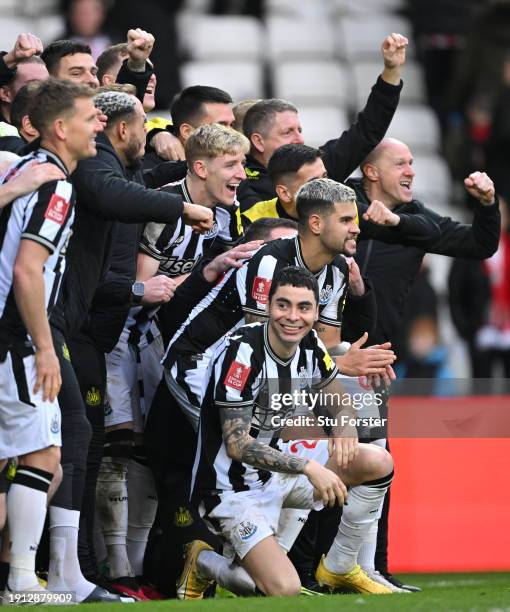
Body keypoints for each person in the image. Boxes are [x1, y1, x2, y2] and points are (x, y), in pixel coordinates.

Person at [176, 266, 394, 598]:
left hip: (276, 473)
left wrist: (345, 421)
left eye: (303, 307)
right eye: (283, 305)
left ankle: (339, 566)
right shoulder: (242, 353)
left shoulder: (310, 342)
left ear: (315, 312)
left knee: (378, 461)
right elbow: (237, 444)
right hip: (229, 489)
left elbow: (335, 396)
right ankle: (204, 561)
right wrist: (310, 468)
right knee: (283, 590)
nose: (292, 317)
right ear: (267, 305)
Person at [96, 123, 249, 594]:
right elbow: (149, 286)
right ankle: (115, 568)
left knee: (147, 454)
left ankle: (137, 570)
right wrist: (206, 274)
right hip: (124, 333)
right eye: (233, 165)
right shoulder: (162, 207)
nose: (243, 174)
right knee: (118, 447)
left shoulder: (227, 214)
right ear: (200, 168)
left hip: (167, 342)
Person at [346, 137, 500, 591]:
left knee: (377, 467)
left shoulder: (416, 219)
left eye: (414, 161)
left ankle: (374, 566)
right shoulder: (341, 199)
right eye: (400, 163)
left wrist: (488, 205)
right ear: (371, 172)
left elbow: (479, 245)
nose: (411, 170)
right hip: (321, 355)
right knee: (311, 463)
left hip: (374, 364)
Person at [0, 78, 101, 601]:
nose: (98, 123)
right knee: (43, 456)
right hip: (13, 336)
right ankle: (20, 580)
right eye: (89, 117)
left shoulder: (17, 167)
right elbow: (27, 271)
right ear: (61, 129)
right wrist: (43, 346)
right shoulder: (54, 184)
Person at [238, 33, 408, 212]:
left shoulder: (318, 166)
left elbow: (366, 131)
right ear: (258, 141)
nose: (300, 139)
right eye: (287, 132)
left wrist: (391, 70)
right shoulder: (238, 181)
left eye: (300, 130)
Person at [143, 85, 235, 168]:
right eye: (221, 125)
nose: (232, 134)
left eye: (232, 125)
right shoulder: (148, 173)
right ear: (187, 132)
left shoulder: (238, 163)